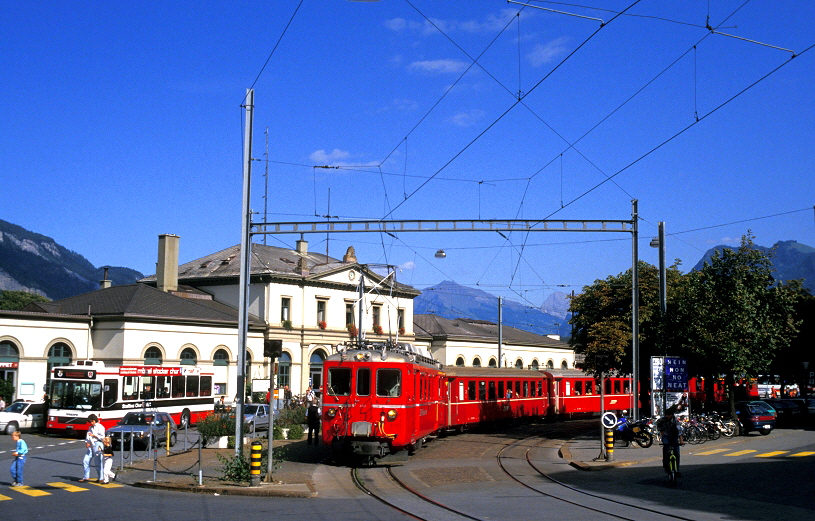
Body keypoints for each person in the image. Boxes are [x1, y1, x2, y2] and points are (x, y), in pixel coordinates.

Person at [656, 405, 684, 478]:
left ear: (672, 415)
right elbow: (658, 426)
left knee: (677, 453)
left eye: (669, 415)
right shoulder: (662, 420)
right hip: (666, 436)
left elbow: (679, 431)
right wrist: (662, 432)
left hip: (674, 436)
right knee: (666, 449)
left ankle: (677, 470)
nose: (667, 416)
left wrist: (681, 441)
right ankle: (665, 464)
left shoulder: (675, 421)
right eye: (666, 415)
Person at [80, 414, 105, 483]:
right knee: (85, 460)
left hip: (98, 444)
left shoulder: (100, 427)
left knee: (98, 462)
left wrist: (94, 435)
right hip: (91, 444)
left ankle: (101, 478)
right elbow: (88, 435)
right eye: (90, 421)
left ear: (95, 420)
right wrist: (87, 442)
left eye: (92, 421)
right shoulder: (90, 427)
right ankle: (86, 477)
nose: (91, 423)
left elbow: (102, 437)